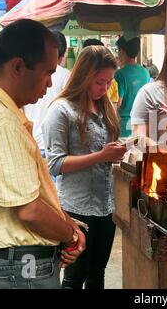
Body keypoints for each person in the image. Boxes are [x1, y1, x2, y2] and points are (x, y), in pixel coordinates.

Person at [0, 19, 85, 289]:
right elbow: (29, 210)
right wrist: (69, 234)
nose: (51, 83)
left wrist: (67, 224)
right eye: (47, 72)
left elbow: (36, 191)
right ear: (18, 67)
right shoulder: (0, 122)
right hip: (22, 269)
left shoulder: (3, 110)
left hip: (20, 266)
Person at [42, 45, 126, 289]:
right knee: (74, 277)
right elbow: (56, 163)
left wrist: (114, 154)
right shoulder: (61, 110)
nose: (105, 88)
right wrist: (101, 155)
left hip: (106, 206)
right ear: (84, 76)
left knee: (97, 273)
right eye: (100, 82)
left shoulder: (104, 108)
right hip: (76, 209)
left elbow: (104, 154)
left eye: (109, 82)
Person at [23, 31, 71, 155]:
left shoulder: (28, 73)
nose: (49, 83)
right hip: (52, 143)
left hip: (30, 140)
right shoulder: (66, 75)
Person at [115, 36, 150, 137]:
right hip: (141, 125)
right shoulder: (145, 72)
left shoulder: (119, 74)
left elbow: (118, 102)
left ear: (121, 51)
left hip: (124, 127)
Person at [83, 38, 120, 109]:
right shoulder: (64, 109)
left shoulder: (114, 83)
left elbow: (113, 109)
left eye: (109, 82)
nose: (105, 90)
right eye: (99, 83)